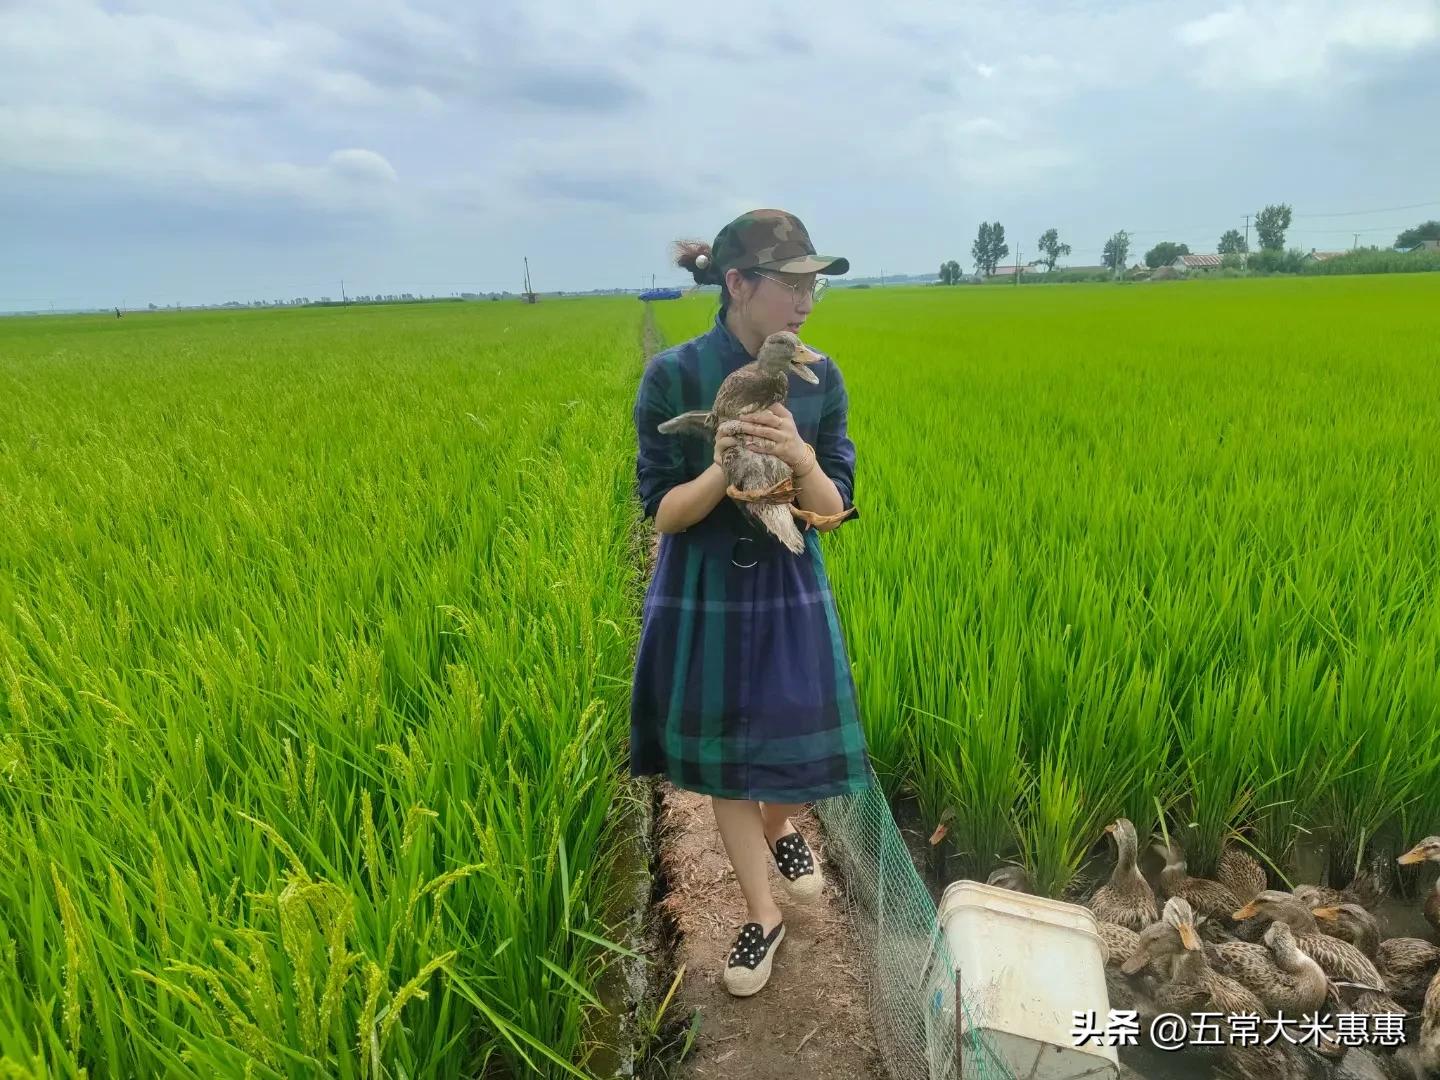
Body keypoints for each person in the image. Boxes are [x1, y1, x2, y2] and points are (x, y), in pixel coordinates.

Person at [629, 208, 874, 997]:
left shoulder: (819, 376)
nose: (807, 300)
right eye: (792, 283)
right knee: (729, 765)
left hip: (787, 585)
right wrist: (724, 461)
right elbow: (662, 513)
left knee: (800, 746)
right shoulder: (675, 376)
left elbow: (833, 508)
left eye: (815, 286)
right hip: (706, 588)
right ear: (738, 284)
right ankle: (762, 916)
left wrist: (798, 453)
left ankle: (781, 826)